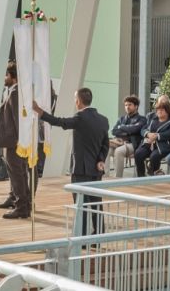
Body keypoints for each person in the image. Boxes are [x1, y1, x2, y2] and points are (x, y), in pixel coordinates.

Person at [33, 87, 109, 236]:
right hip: (96, 169)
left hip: (80, 169)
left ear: (78, 101)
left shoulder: (80, 118)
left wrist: (39, 111)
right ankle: (99, 234)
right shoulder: (103, 120)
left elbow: (59, 122)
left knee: (81, 204)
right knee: (96, 203)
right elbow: (105, 144)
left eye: (75, 99)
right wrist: (101, 159)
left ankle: (82, 236)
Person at [0, 65, 31, 219]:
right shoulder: (16, 92)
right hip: (16, 141)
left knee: (17, 174)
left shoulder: (16, 93)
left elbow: (18, 119)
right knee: (19, 173)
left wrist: (19, 140)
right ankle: (21, 203)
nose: (4, 79)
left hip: (15, 142)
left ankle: (21, 207)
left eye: (5, 75)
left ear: (12, 76)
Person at [109, 96, 148, 179]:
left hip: (132, 145)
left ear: (136, 106)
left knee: (118, 152)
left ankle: (117, 179)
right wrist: (128, 131)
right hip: (118, 142)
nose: (127, 107)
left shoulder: (142, 119)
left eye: (130, 105)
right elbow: (113, 131)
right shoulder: (122, 118)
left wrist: (121, 127)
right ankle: (104, 177)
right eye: (126, 105)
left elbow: (135, 129)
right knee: (107, 149)